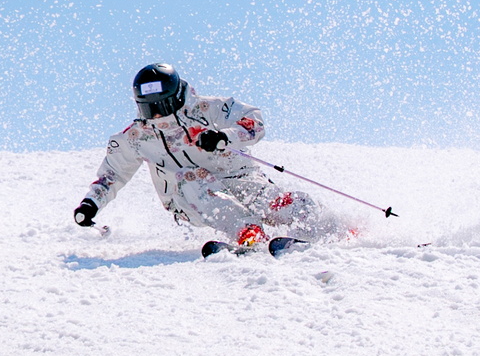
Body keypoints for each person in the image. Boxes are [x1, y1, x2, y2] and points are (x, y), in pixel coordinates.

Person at [73, 63, 328, 246]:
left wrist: (224, 136)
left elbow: (254, 121)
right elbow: (112, 174)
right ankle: (247, 231)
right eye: (149, 109)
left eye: (162, 106)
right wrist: (91, 203)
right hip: (188, 196)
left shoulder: (207, 108)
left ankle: (323, 227)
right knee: (190, 176)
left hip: (238, 176)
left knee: (274, 203)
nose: (158, 115)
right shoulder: (138, 136)